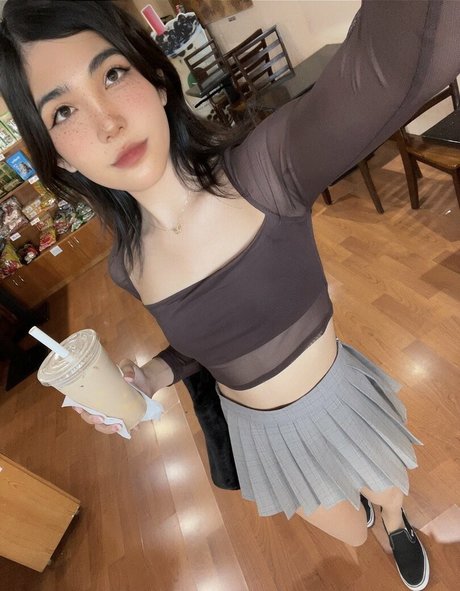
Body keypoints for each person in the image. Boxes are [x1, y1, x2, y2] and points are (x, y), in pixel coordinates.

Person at [1, 1, 458, 589]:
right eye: (63, 110)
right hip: (257, 435)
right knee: (347, 529)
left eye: (112, 74)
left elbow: (390, 65)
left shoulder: (265, 171)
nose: (107, 122)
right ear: (59, 155)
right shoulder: (128, 266)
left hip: (334, 397)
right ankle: (370, 511)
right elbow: (210, 342)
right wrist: (152, 376)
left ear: (156, 80)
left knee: (387, 490)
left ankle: (395, 522)